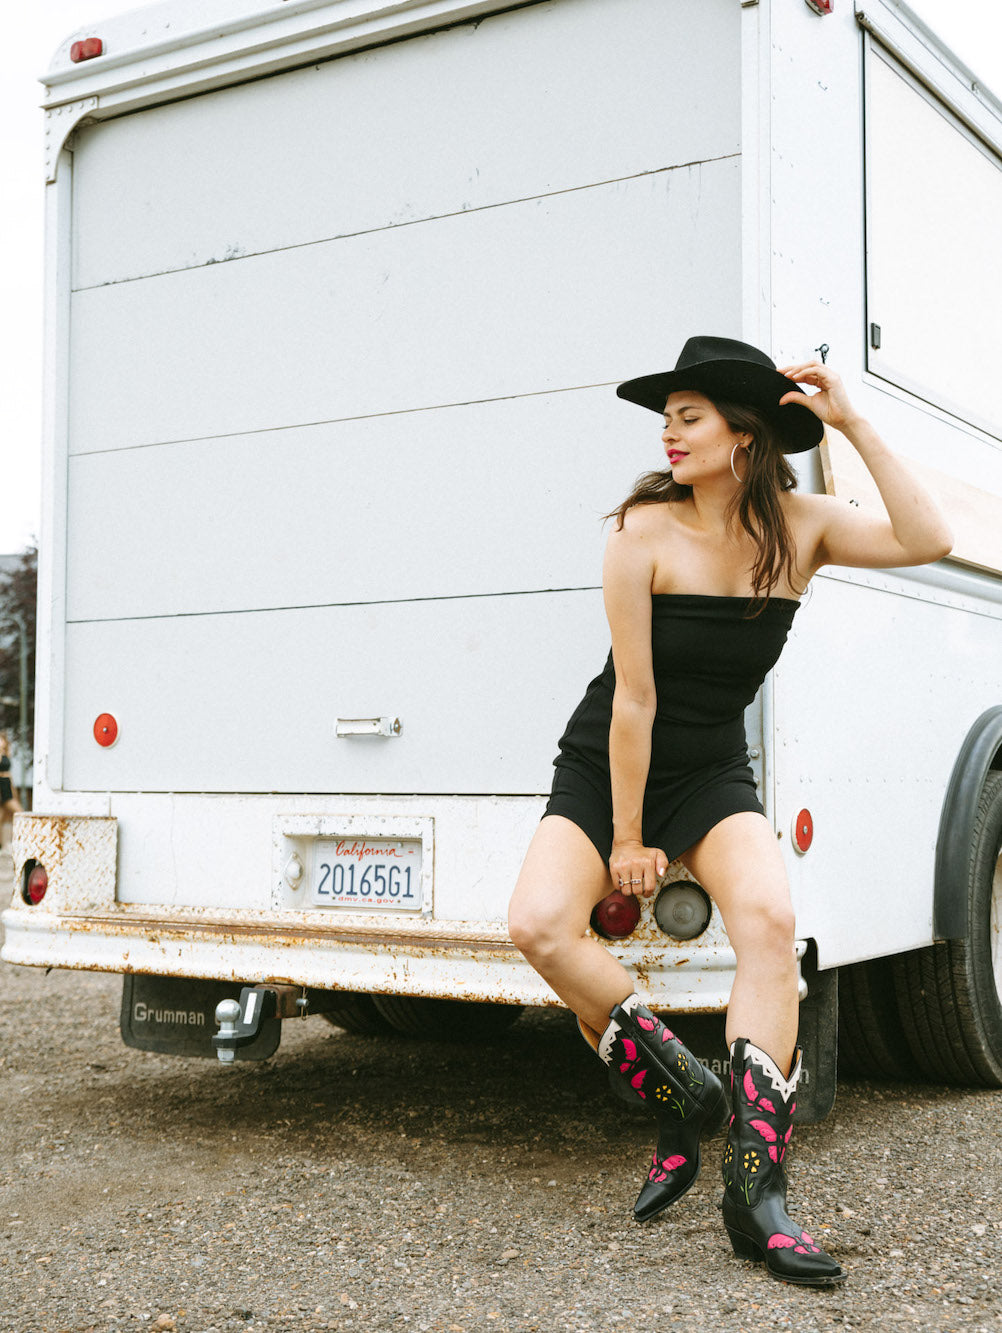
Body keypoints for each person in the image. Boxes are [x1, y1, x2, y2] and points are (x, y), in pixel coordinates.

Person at [508, 336, 953, 1287]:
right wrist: (628, 837)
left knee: (770, 921)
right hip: (611, 759)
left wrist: (851, 421)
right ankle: (682, 1090)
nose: (669, 435)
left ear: (744, 435)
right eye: (667, 420)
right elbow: (634, 699)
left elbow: (930, 538)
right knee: (538, 924)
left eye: (689, 417)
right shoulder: (642, 531)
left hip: (709, 765)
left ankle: (757, 1194)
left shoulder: (804, 527)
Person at [0, 731, 23, 851]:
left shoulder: (6, 753)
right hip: (1, 785)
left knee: (3, 817)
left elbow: (9, 774)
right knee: (19, 813)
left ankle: (5, 844)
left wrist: (13, 790)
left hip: (7, 785)